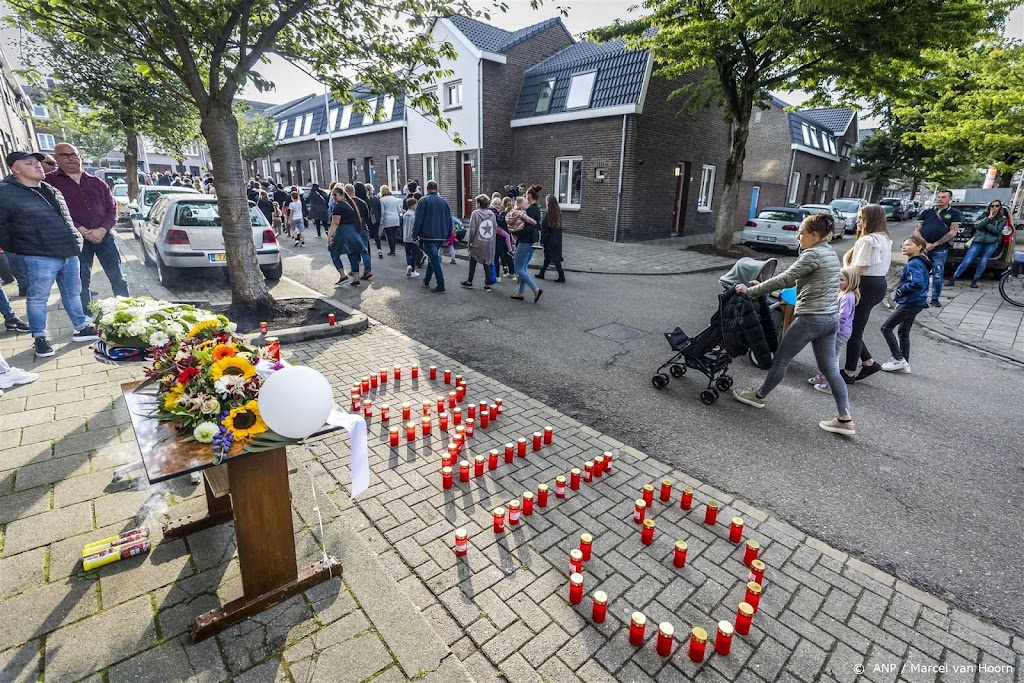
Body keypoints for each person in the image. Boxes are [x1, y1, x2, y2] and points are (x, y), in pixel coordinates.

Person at [732, 214, 853, 434]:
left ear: (814, 235)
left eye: (801, 233)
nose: (798, 237)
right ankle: (845, 419)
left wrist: (750, 291)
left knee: (780, 359)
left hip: (811, 319)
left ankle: (758, 396)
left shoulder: (812, 254)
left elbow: (785, 278)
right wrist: (767, 286)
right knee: (831, 370)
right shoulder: (830, 253)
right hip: (830, 319)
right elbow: (808, 283)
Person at [0, 151, 100, 357]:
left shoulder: (50, 189)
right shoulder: (6, 193)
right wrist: (20, 247)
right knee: (38, 298)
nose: (37, 166)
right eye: (29, 163)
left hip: (68, 252)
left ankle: (81, 327)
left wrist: (76, 242)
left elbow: (66, 219)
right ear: (16, 169)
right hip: (38, 255)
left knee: (73, 293)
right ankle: (40, 338)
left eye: (38, 162)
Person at [46, 142, 129, 313]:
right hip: (76, 240)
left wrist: (103, 229)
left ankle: (126, 310)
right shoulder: (49, 183)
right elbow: (51, 211)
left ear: (80, 156)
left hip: (104, 237)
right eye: (65, 155)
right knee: (82, 280)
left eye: (74, 154)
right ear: (56, 158)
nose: (71, 158)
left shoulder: (97, 182)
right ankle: (87, 317)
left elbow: (112, 208)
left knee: (118, 277)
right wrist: (80, 229)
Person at [841, 204, 892, 384]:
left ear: (871, 219)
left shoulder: (868, 240)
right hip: (878, 285)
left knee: (853, 329)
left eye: (861, 218)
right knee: (854, 327)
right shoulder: (884, 238)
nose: (858, 221)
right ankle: (869, 363)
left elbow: (859, 269)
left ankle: (849, 372)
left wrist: (841, 276)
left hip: (864, 285)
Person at [881, 236, 931, 373]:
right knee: (903, 331)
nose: (903, 247)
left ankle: (898, 358)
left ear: (919, 247)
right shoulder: (921, 262)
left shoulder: (914, 263)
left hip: (911, 302)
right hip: (916, 302)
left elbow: (918, 283)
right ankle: (905, 363)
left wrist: (901, 290)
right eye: (903, 245)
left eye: (908, 245)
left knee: (886, 328)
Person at [808, 266, 860, 394]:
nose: (837, 281)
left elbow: (842, 317)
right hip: (838, 331)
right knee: (827, 356)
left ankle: (832, 385)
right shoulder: (843, 294)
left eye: (841, 279)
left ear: (851, 282)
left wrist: (830, 326)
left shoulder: (847, 297)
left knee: (832, 358)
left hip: (840, 332)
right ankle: (823, 376)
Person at [914, 189, 961, 307]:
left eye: (943, 197)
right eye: (938, 197)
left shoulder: (954, 213)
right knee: (921, 272)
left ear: (949, 199)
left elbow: (953, 231)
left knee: (937, 274)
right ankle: (921, 297)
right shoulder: (927, 212)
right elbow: (917, 229)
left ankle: (935, 298)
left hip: (940, 249)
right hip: (923, 248)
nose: (940, 199)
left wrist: (935, 244)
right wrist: (924, 243)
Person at [946, 200, 1006, 288]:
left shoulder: (1002, 218)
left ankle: (975, 280)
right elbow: (977, 226)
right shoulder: (983, 215)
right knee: (967, 260)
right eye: (992, 206)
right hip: (978, 241)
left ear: (1000, 207)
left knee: (983, 261)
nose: (994, 208)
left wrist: (985, 223)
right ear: (989, 207)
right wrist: (988, 218)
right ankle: (953, 278)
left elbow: (996, 231)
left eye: (997, 206)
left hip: (991, 242)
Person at [412, 179, 451, 292]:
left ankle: (441, 284)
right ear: (436, 188)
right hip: (441, 235)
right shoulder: (444, 202)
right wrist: (448, 235)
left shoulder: (423, 201)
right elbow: (449, 220)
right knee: (433, 258)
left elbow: (418, 220)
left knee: (434, 259)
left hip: (428, 236)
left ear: (427, 188)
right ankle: (426, 280)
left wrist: (414, 235)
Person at [509, 185, 543, 302]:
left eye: (526, 194)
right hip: (532, 241)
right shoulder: (537, 209)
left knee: (518, 268)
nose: (525, 196)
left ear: (529, 195)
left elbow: (526, 228)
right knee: (523, 267)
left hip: (525, 241)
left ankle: (536, 289)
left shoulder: (529, 210)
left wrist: (515, 231)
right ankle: (521, 292)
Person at [327, 186, 364, 286]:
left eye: (335, 195)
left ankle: (343, 276)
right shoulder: (349, 205)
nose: (334, 197)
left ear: (342, 195)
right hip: (352, 232)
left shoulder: (338, 206)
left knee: (334, 252)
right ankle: (356, 278)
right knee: (352, 253)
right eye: (332, 195)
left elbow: (335, 223)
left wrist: (330, 236)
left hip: (342, 233)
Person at [461, 194, 497, 291]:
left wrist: (470, 243)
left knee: (473, 259)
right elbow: (495, 228)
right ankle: (488, 284)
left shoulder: (475, 214)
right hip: (489, 242)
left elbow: (472, 230)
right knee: (487, 262)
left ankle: (469, 281)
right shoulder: (492, 214)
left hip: (478, 242)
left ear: (479, 203)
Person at [537, 194, 565, 282]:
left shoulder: (548, 215)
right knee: (551, 257)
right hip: (557, 238)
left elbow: (545, 230)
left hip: (550, 239)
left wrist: (542, 240)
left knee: (553, 258)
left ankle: (561, 276)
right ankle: (542, 273)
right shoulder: (558, 214)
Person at [347, 184, 373, 279]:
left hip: (352, 229)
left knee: (352, 251)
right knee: (364, 250)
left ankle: (354, 271)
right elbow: (367, 216)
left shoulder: (346, 203)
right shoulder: (363, 202)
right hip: (363, 228)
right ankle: (367, 270)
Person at [378, 185, 403, 256]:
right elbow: (399, 210)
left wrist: (381, 221)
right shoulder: (395, 199)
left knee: (389, 236)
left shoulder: (382, 200)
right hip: (395, 219)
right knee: (394, 235)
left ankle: (392, 250)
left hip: (387, 219)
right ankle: (393, 249)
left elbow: (382, 212)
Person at [402, 196, 420, 277]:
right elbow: (415, 226)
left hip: (406, 237)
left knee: (408, 253)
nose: (416, 206)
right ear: (412, 205)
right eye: (416, 205)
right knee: (414, 254)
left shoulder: (405, 214)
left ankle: (409, 265)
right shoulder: (414, 215)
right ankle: (412, 270)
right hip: (413, 237)